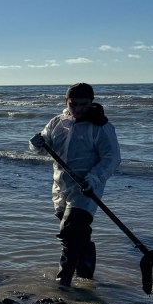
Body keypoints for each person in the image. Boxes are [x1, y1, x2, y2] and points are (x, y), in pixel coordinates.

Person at [29, 83, 121, 287]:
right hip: (60, 187)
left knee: (70, 233)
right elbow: (45, 146)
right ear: (66, 101)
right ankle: (86, 278)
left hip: (86, 189)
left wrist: (93, 179)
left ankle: (63, 282)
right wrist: (37, 143)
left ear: (91, 102)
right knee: (78, 235)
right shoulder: (57, 122)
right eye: (73, 104)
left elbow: (112, 158)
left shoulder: (101, 127)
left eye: (84, 104)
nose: (78, 109)